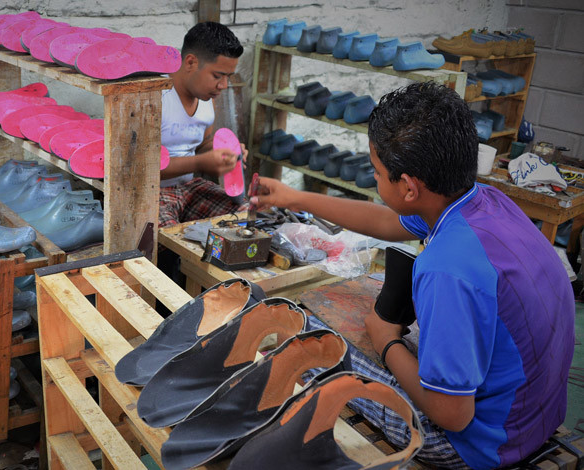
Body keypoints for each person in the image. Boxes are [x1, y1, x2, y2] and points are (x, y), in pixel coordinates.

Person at [251, 82, 574, 469]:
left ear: (408, 186)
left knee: (307, 337)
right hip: (534, 416)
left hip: (476, 445)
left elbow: (452, 416)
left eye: (376, 172)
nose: (373, 179)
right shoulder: (484, 202)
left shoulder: (444, 268)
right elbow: (388, 221)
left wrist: (387, 343)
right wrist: (294, 198)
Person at [159, 21, 248, 227]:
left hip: (189, 188)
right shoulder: (157, 97)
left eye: (228, 77)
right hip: (152, 190)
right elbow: (139, 167)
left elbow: (203, 145)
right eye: (217, 76)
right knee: (165, 235)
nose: (223, 86)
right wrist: (201, 163)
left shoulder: (207, 100)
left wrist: (228, 155)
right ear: (190, 62)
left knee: (245, 213)